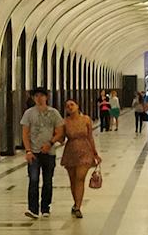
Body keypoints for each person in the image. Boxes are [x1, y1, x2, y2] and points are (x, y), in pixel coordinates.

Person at [19, 87, 64, 219]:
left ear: (46, 97)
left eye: (41, 96)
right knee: (33, 179)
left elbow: (60, 131)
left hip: (49, 152)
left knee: (48, 180)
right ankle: (33, 208)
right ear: (33, 98)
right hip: (34, 152)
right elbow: (25, 133)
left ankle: (45, 207)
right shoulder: (28, 114)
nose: (39, 98)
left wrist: (50, 143)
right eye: (36, 96)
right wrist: (28, 150)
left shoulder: (54, 113)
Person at [56, 100, 102, 218]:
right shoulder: (65, 122)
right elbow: (61, 139)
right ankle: (75, 202)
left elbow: (90, 137)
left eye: (72, 105)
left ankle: (78, 206)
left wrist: (95, 153)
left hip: (85, 150)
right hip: (71, 151)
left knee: (80, 178)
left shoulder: (86, 119)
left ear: (77, 106)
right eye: (67, 106)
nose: (70, 107)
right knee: (73, 180)